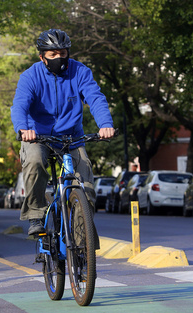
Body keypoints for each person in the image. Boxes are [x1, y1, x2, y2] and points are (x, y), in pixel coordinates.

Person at [10, 29, 115, 236]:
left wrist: (105, 124)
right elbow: (20, 105)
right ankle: (35, 214)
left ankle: (80, 238)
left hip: (71, 137)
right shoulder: (30, 76)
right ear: (42, 57)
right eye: (53, 54)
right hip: (37, 136)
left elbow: (95, 98)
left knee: (86, 185)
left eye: (63, 53)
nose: (59, 57)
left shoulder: (80, 72)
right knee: (34, 162)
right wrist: (23, 129)